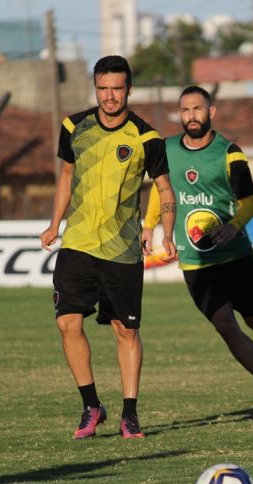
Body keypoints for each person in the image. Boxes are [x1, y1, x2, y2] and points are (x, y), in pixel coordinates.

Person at [142, 85, 253, 416]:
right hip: (195, 261)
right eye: (185, 110)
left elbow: (250, 202)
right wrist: (150, 225)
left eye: (197, 109)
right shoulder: (166, 149)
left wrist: (232, 226)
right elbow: (162, 191)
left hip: (235, 256)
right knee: (226, 326)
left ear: (211, 112)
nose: (191, 116)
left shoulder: (230, 152)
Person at [40, 55, 177, 438]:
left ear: (129, 89)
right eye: (103, 88)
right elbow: (66, 176)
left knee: (125, 330)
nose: (110, 96)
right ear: (95, 87)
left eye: (117, 88)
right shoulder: (74, 127)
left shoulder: (147, 138)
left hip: (123, 248)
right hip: (79, 242)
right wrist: (55, 224)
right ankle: (91, 406)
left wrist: (167, 231)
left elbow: (165, 188)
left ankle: (129, 413)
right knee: (67, 322)